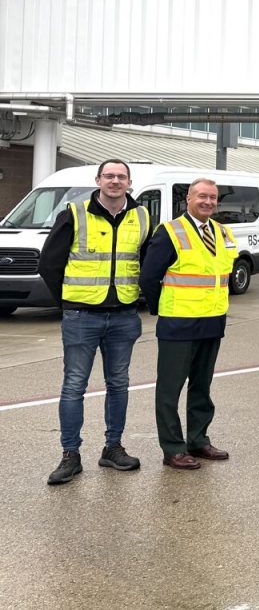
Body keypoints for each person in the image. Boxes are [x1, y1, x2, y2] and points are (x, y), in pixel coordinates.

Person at [39, 159, 151, 485]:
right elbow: (49, 263)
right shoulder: (74, 214)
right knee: (74, 385)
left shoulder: (142, 217)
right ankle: (70, 455)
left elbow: (148, 263)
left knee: (119, 384)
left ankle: (113, 448)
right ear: (98, 180)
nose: (115, 181)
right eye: (109, 176)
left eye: (121, 177)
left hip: (124, 316)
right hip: (81, 317)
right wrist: (67, 303)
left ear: (129, 182)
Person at [140, 178, 235, 470]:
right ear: (188, 199)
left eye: (213, 197)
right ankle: (173, 448)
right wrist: (161, 309)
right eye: (202, 196)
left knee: (202, 387)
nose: (208, 202)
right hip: (178, 323)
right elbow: (148, 277)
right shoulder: (170, 231)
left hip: (212, 321)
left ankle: (198, 440)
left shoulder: (223, 232)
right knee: (170, 390)